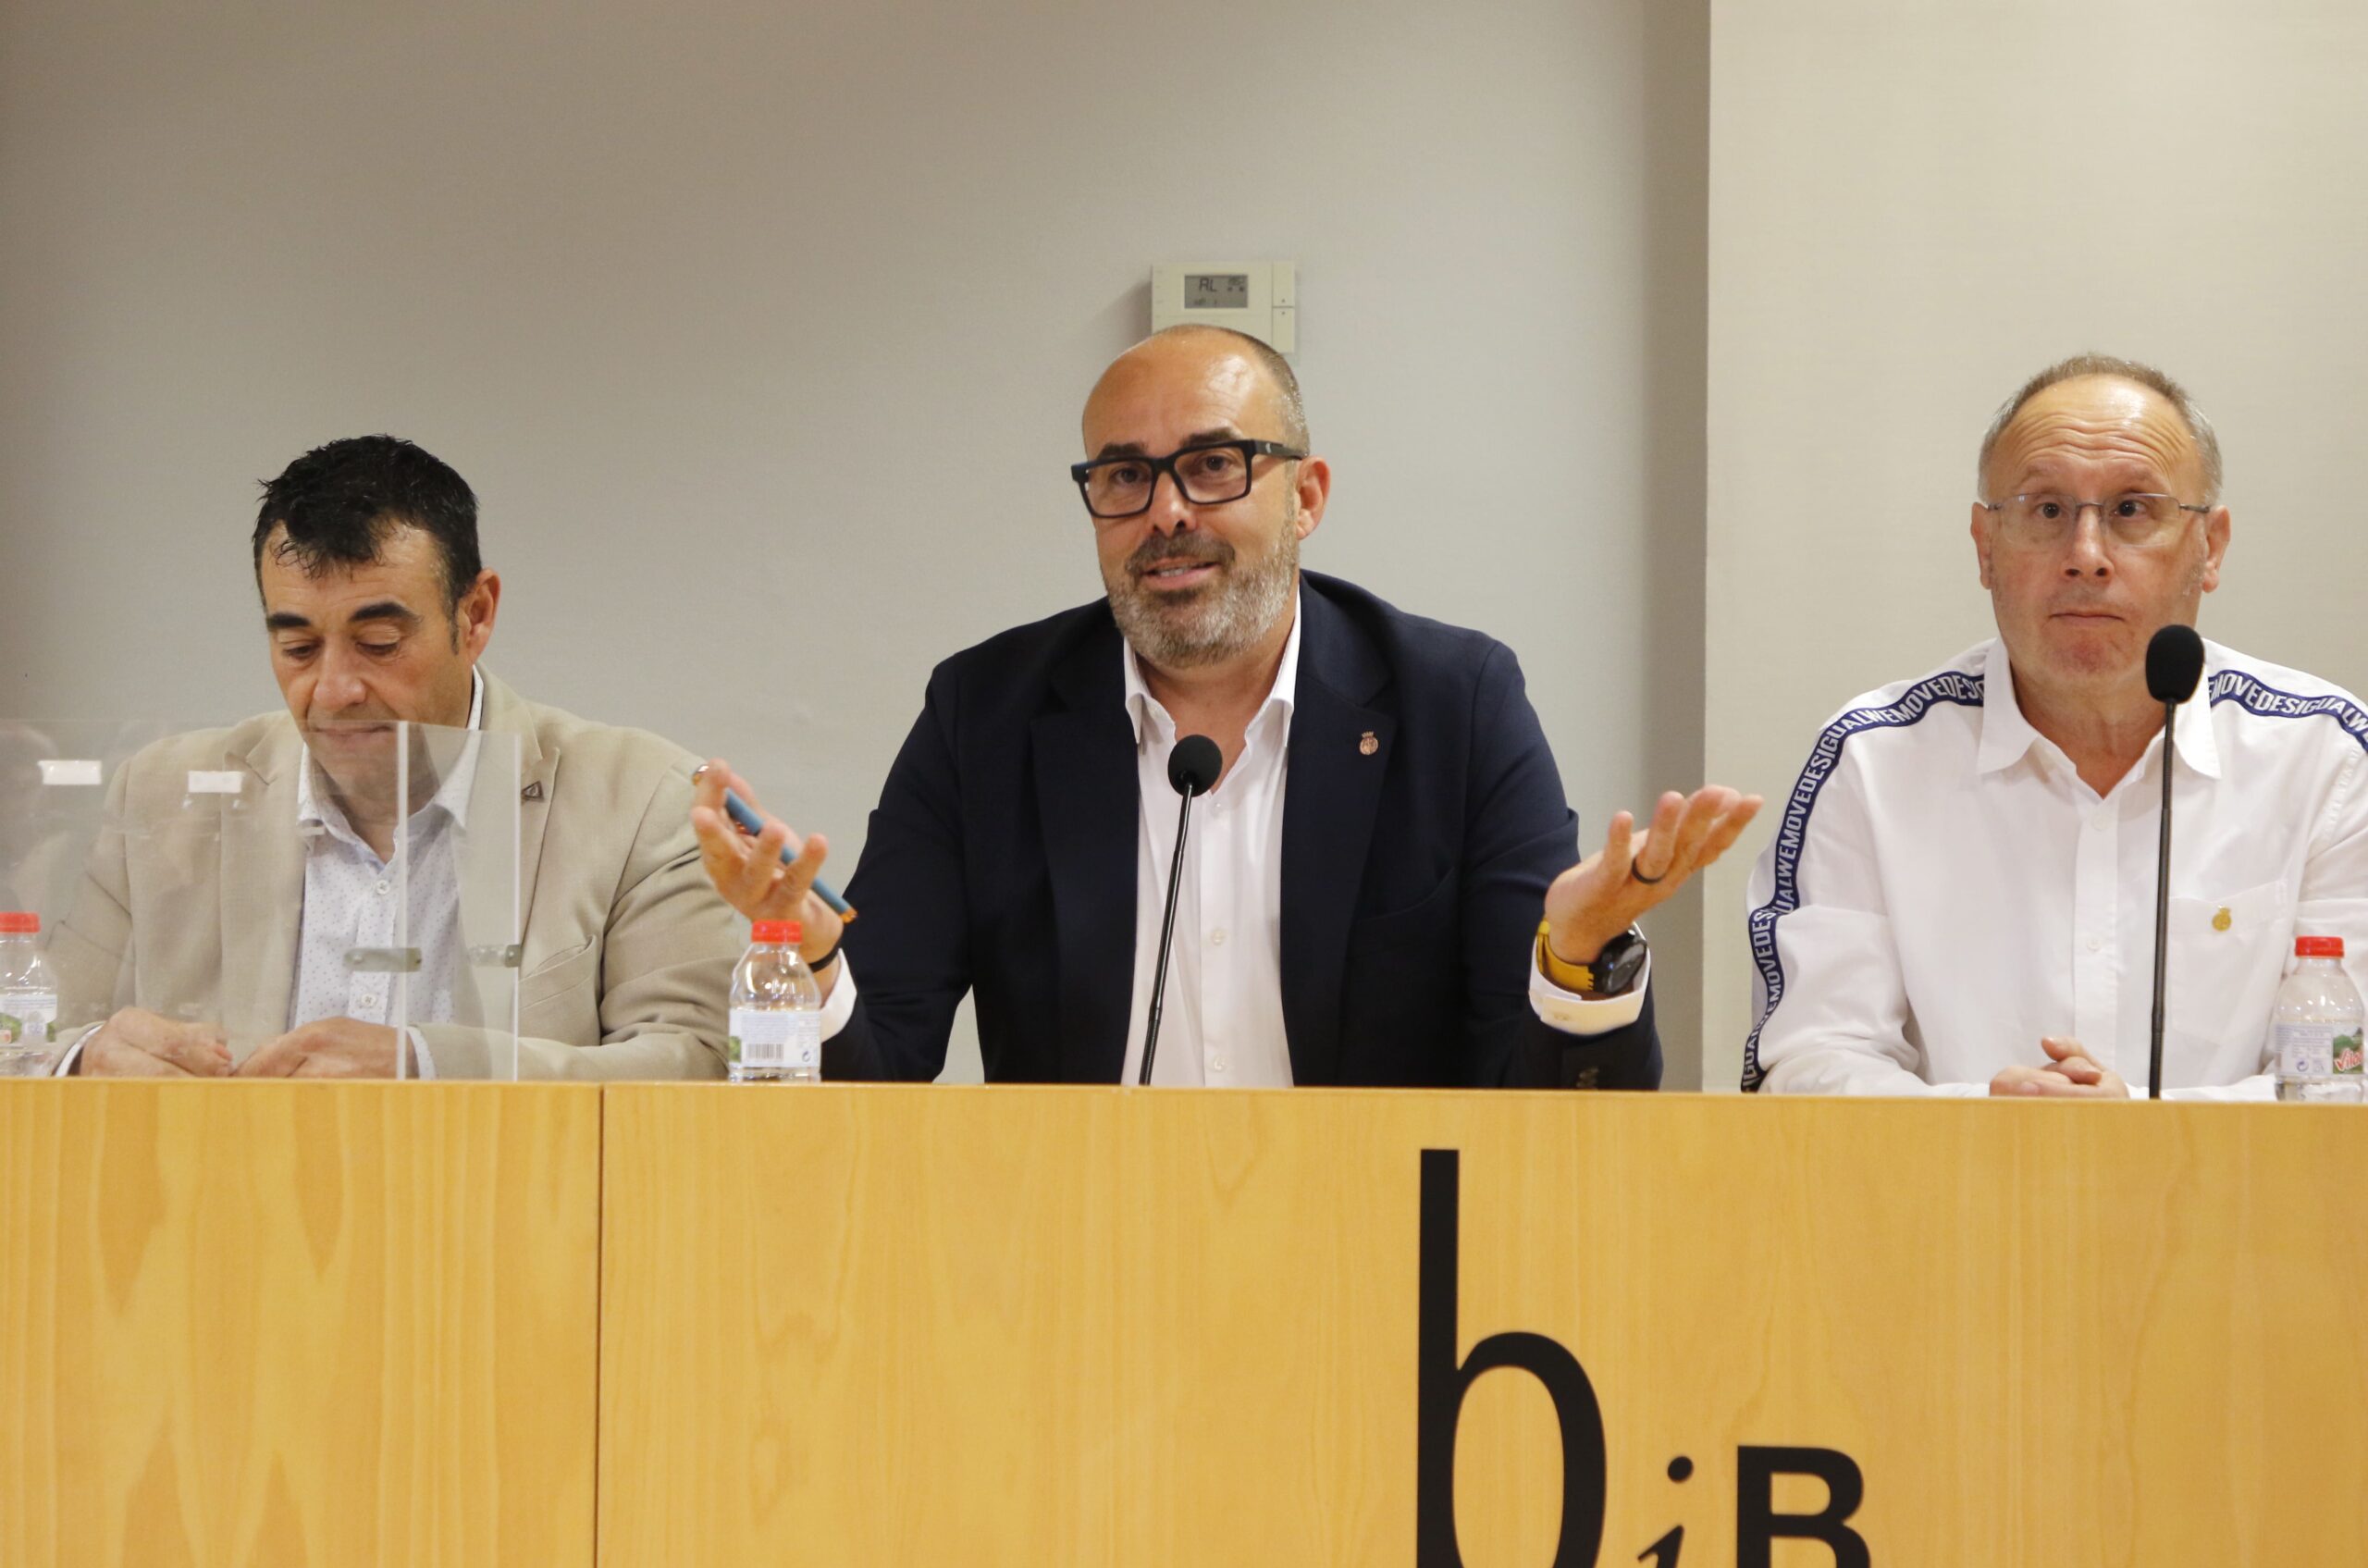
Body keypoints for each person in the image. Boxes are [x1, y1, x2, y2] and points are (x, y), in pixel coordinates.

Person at [694, 327, 1759, 1087]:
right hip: (1071, 1257)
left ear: (1306, 497)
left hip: (1383, 1259)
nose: (1166, 513)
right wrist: (813, 960)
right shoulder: (987, 714)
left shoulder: (1454, 705)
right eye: (1124, 477)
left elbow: (1549, 1120)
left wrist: (1575, 959)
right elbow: (875, 1083)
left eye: (1213, 466)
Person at [1744, 354, 2368, 1098]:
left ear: (2211, 547)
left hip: (2233, 1184)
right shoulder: (1872, 764)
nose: (2086, 557)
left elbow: (2348, 1077)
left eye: (2132, 509)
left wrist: (2134, 1130)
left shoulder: (2327, 761)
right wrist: (1997, 1126)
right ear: (1985, 546)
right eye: (2046, 511)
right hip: (1958, 1177)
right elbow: (1809, 1060)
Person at [51, 435, 744, 1079]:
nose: (334, 690)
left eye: (378, 643)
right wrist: (80, 1059)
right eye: (297, 648)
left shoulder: (640, 802)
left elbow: (698, 1061)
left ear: (475, 615)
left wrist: (429, 1067)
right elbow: (29, 1034)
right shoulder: (163, 795)